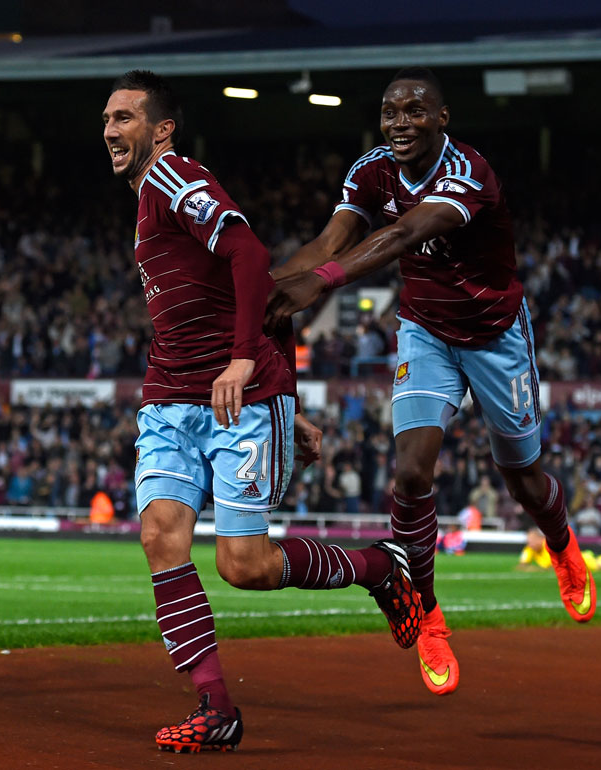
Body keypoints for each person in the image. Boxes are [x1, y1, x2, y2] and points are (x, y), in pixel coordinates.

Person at [103, 70, 422, 754]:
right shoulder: (148, 199)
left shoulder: (172, 179)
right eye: (107, 118)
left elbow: (249, 256)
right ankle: (215, 708)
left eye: (125, 117)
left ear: (162, 129)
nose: (110, 130)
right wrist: (289, 394)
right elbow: (264, 290)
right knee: (161, 537)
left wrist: (249, 363)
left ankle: (380, 567)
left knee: (243, 565)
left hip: (233, 399)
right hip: (171, 396)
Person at [267, 67, 595, 697]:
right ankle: (429, 615)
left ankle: (559, 539)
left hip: (497, 334)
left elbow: (402, 233)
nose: (401, 122)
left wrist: (324, 284)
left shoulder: (468, 173)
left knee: (523, 478)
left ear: (443, 119)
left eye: (416, 111)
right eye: (391, 112)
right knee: (411, 474)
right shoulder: (370, 170)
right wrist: (270, 284)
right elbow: (330, 240)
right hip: (425, 332)